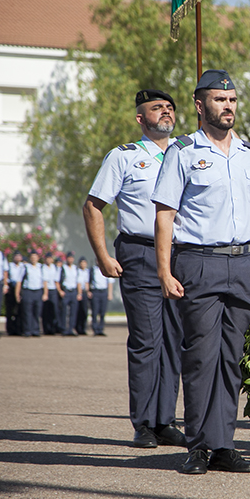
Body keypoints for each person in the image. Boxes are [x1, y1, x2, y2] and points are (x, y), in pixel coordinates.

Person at [152, 69, 250, 475]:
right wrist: (163, 270)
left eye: (232, 100)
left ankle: (224, 444)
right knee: (201, 357)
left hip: (243, 264)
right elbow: (164, 215)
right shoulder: (183, 152)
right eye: (219, 100)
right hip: (199, 263)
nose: (228, 107)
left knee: (232, 358)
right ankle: (197, 446)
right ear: (200, 105)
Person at [84, 88, 186, 449]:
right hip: (140, 254)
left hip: (179, 254)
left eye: (170, 108)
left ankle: (164, 420)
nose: (166, 112)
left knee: (174, 340)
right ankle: (143, 423)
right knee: (147, 340)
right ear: (141, 119)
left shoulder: (189, 154)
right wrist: (102, 256)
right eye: (157, 108)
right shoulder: (124, 157)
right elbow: (94, 205)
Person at [16, 250, 44, 337]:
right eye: (32, 258)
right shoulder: (25, 267)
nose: (33, 259)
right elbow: (19, 281)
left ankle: (35, 330)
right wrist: (17, 294)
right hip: (28, 291)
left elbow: (45, 281)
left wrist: (45, 293)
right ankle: (27, 330)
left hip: (38, 291)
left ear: (38, 258)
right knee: (27, 312)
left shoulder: (41, 267)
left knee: (37, 312)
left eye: (35, 257)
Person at [57, 252, 80, 336]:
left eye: (71, 258)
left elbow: (78, 282)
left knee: (73, 311)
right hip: (66, 291)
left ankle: (71, 328)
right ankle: (64, 328)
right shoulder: (63, 268)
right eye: (68, 258)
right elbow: (57, 281)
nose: (70, 259)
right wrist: (60, 291)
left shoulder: (75, 268)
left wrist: (79, 293)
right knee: (64, 311)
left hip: (73, 291)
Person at [88, 262, 113, 336]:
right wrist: (89, 291)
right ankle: (95, 328)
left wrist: (110, 293)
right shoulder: (93, 270)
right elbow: (88, 281)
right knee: (95, 311)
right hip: (95, 291)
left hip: (104, 291)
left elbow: (110, 282)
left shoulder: (106, 268)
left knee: (102, 312)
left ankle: (101, 328)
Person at [41, 253, 61, 334]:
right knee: (45, 311)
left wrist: (59, 291)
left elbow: (57, 281)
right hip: (45, 290)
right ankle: (46, 329)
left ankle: (53, 328)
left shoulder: (55, 267)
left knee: (54, 310)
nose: (49, 260)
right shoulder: (42, 267)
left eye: (50, 258)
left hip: (53, 290)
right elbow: (44, 281)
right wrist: (45, 293)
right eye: (47, 258)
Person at [5, 251, 24, 336]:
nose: (17, 258)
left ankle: (19, 329)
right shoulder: (10, 266)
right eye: (16, 256)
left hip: (20, 288)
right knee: (10, 310)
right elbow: (5, 276)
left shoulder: (23, 266)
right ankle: (10, 329)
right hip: (11, 288)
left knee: (19, 310)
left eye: (19, 256)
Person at [75, 257, 90, 335]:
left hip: (85, 292)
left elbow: (87, 282)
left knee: (85, 311)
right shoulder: (78, 271)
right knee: (78, 311)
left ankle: (83, 328)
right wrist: (79, 293)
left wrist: (88, 292)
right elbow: (78, 283)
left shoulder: (87, 271)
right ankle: (78, 328)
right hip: (79, 293)